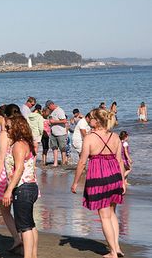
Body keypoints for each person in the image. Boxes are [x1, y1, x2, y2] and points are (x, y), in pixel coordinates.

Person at [71, 108, 125, 258]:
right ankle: (117, 248)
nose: (89, 120)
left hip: (98, 177)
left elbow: (82, 162)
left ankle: (113, 252)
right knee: (112, 213)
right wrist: (123, 182)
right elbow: (120, 161)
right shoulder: (115, 136)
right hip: (115, 176)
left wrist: (75, 182)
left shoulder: (89, 138)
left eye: (91, 119)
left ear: (96, 121)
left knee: (104, 216)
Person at [2, 114, 39, 258]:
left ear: (17, 127)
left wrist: (9, 190)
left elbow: (19, 169)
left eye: (8, 127)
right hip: (31, 187)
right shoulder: (26, 143)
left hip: (23, 188)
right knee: (29, 224)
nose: (6, 130)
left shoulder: (18, 145)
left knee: (25, 227)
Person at [0, 104, 22, 252]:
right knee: (21, 209)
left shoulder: (5, 134)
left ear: (4, 118)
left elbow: (1, 157)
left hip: (7, 173)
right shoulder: (22, 130)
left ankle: (17, 238)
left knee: (4, 210)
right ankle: (24, 238)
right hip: (22, 172)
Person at [46, 100, 68, 166]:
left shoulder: (60, 110)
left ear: (51, 105)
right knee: (54, 148)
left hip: (61, 133)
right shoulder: (51, 111)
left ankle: (63, 162)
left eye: (48, 107)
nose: (48, 108)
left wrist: (54, 122)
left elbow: (64, 121)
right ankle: (55, 163)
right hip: (53, 132)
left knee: (62, 148)